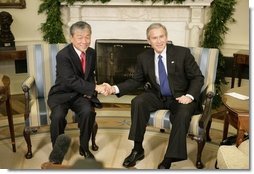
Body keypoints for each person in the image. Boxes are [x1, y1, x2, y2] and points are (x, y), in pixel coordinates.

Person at [104, 23, 204, 169]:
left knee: (183, 112)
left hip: (180, 97)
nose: (159, 41)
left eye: (161, 36)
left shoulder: (182, 53)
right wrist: (114, 88)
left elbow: (197, 77)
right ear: (148, 41)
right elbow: (136, 80)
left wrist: (189, 96)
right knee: (138, 101)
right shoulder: (143, 57)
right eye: (154, 38)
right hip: (158, 95)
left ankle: (170, 156)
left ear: (166, 37)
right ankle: (137, 149)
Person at [47, 21, 106, 160]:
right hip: (62, 94)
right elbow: (70, 80)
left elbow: (91, 74)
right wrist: (94, 88)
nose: (84, 41)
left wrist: (103, 85)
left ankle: (84, 147)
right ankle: (58, 151)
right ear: (71, 38)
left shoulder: (92, 53)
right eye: (80, 37)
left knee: (87, 112)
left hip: (81, 95)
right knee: (58, 117)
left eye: (87, 37)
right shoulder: (63, 55)